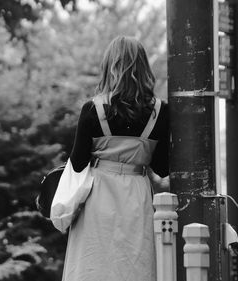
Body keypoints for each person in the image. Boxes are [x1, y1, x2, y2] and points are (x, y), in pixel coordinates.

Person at [58, 36, 169, 281]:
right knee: (135, 265)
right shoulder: (161, 112)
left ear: (110, 66)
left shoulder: (92, 109)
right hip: (137, 197)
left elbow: (77, 163)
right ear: (143, 67)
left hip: (99, 197)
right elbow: (162, 168)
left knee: (94, 266)